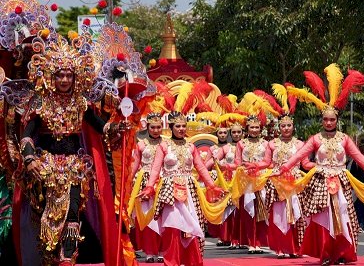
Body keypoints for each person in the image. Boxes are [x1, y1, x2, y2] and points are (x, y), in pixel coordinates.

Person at [9, 34, 125, 265]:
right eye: (60, 74)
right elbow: (27, 135)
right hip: (43, 168)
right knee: (46, 217)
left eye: (69, 75)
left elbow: (100, 128)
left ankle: (67, 257)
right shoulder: (40, 102)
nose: (64, 79)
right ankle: (49, 258)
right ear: (52, 76)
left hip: (75, 168)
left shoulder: (81, 103)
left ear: (76, 77)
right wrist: (30, 158)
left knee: (73, 213)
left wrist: (116, 127)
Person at [279, 64, 364, 265]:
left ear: (337, 120)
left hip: (340, 181)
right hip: (320, 182)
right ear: (322, 120)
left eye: (332, 120)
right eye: (325, 120)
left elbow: (360, 159)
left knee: (344, 215)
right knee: (323, 216)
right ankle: (326, 252)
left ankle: (342, 252)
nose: (328, 123)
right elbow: (298, 157)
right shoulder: (315, 138)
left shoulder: (345, 139)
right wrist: (283, 168)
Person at [139, 111, 224, 266]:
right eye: (177, 126)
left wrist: (212, 186)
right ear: (171, 127)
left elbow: (201, 168)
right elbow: (155, 169)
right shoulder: (164, 146)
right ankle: (171, 262)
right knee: (172, 227)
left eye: (183, 126)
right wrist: (150, 186)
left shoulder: (191, 146)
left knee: (192, 228)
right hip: (170, 190)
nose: (181, 129)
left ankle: (191, 261)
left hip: (189, 190)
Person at [263, 84, 315, 259]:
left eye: (288, 125)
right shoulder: (272, 144)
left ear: (293, 127)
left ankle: (296, 248)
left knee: (298, 215)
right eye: (283, 126)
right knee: (279, 215)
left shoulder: (300, 144)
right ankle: (281, 247)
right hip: (277, 183)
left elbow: (305, 163)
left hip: (295, 182)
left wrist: (318, 166)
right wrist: (257, 168)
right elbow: (267, 163)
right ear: (279, 127)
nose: (285, 128)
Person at [224, 115, 269, 254]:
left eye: (257, 127)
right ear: (247, 129)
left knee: (261, 211)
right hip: (246, 181)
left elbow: (268, 162)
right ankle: (251, 242)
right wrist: (227, 167)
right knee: (249, 212)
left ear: (260, 128)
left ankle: (259, 242)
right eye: (252, 127)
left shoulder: (266, 144)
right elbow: (238, 162)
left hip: (261, 179)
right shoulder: (241, 144)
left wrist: (255, 165)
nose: (254, 130)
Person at [129, 113, 164, 263]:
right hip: (144, 183)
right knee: (148, 217)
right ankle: (150, 252)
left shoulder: (167, 144)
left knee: (164, 217)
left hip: (163, 181)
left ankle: (163, 250)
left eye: (158, 127)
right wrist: (127, 183)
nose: (156, 130)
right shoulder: (141, 144)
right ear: (147, 127)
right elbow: (134, 166)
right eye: (153, 127)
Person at [349, 139, 364, 231]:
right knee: (355, 205)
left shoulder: (363, 158)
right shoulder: (356, 159)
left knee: (360, 206)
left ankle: (360, 224)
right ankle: (358, 224)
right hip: (355, 186)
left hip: (361, 186)